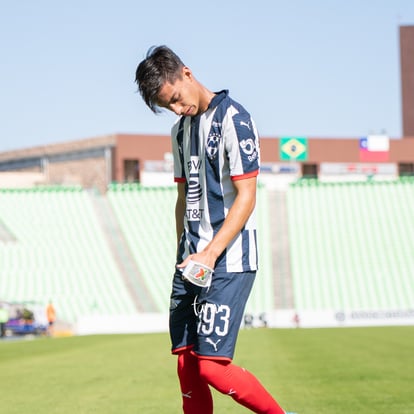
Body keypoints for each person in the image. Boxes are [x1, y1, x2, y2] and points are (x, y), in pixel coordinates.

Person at [135, 46, 294, 414]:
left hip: (228, 260)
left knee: (212, 368)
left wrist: (210, 252)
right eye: (167, 107)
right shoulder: (179, 132)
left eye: (175, 99)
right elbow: (182, 195)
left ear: (186, 74)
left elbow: (247, 195)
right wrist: (183, 250)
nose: (176, 109)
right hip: (190, 261)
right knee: (186, 364)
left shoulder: (234, 119)